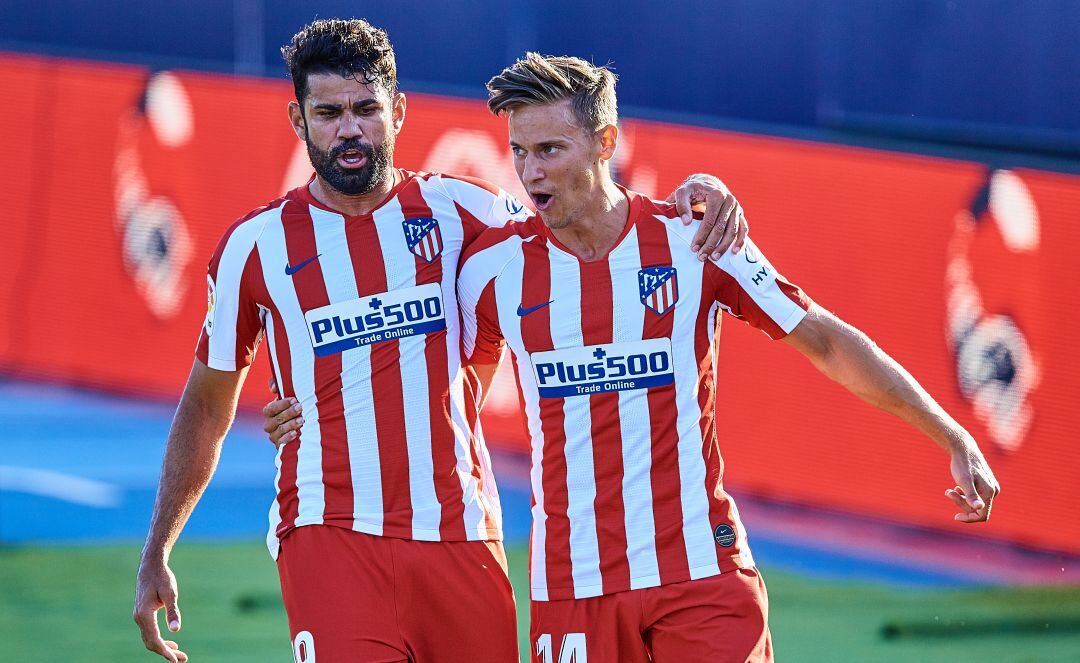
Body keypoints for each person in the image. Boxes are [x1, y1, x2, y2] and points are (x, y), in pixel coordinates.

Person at [270, 52, 1000, 661]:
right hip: (573, 588)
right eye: (520, 152)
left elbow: (827, 340)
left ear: (606, 142)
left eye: (550, 150)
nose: (530, 172)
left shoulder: (694, 240)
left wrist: (951, 432)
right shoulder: (492, 267)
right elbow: (412, 358)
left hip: (702, 575)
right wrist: (305, 410)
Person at [133, 19, 748, 663]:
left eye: (366, 109)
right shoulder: (252, 248)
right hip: (329, 530)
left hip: (460, 535)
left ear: (398, 110)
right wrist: (157, 552)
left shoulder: (463, 213)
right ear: (298, 120)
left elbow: (587, 223)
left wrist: (704, 195)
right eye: (329, 113)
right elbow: (206, 402)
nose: (350, 128)